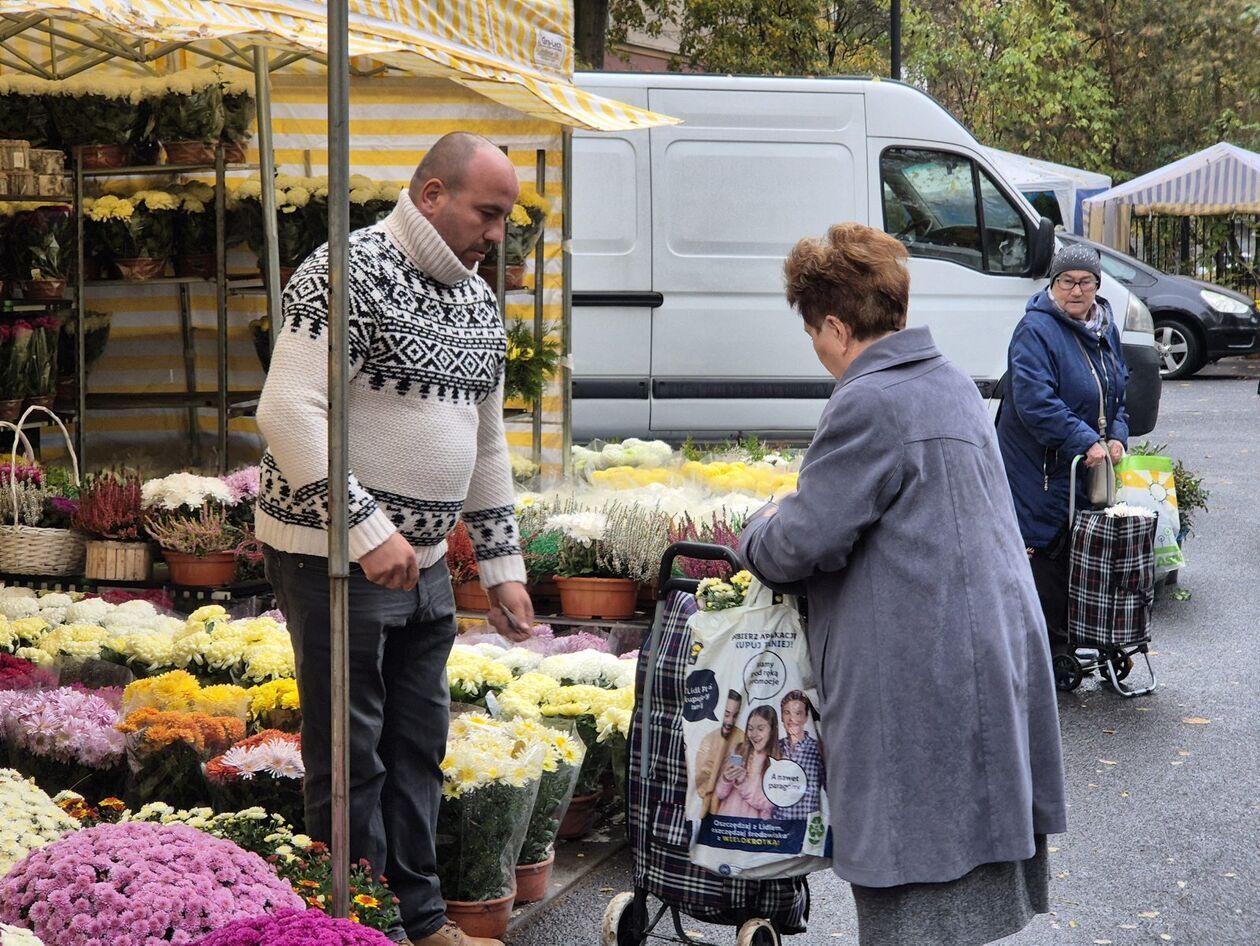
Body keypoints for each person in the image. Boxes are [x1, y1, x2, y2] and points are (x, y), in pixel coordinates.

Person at [738, 223, 1066, 946]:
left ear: (835, 324)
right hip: (979, 656)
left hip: (922, 668)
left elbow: (803, 540)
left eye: (813, 333)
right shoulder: (945, 382)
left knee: (915, 881)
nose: (818, 351)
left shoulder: (869, 400)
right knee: (960, 874)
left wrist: (756, 526)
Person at [255, 132, 535, 946]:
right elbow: (286, 412)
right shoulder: (346, 271)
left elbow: (484, 447)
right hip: (330, 554)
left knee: (419, 745)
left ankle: (418, 919)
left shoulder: (479, 300)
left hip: (422, 564)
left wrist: (504, 566)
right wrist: (365, 528)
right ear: (432, 194)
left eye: (505, 219)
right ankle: (356, 927)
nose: (496, 235)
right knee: (351, 756)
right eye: (488, 214)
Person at [997, 243, 1130, 657]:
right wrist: (1084, 440)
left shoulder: (1105, 329)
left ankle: (1068, 640)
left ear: (1097, 285)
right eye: (1067, 281)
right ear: (1053, 285)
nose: (1076, 290)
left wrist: (1117, 436)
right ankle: (1046, 652)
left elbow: (1118, 394)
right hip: (1037, 465)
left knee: (1079, 547)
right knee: (1044, 548)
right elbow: (1036, 402)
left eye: (1085, 282)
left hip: (1080, 463)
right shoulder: (1035, 330)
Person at [714, 705, 782, 820]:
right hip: (725, 824)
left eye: (760, 729)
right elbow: (720, 794)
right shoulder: (738, 750)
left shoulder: (777, 761)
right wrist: (726, 779)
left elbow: (767, 804)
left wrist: (742, 783)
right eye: (750, 729)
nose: (754, 734)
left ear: (772, 730)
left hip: (752, 830)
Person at [772, 690, 824, 822]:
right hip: (777, 829)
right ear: (782, 716)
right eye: (787, 712)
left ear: (806, 717)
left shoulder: (816, 749)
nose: (792, 719)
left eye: (798, 713)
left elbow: (831, 788)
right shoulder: (775, 748)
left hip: (807, 829)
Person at [693, 689, 744, 816]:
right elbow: (701, 780)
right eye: (726, 714)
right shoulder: (708, 741)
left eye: (735, 716)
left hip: (731, 812)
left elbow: (741, 775)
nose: (730, 721)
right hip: (707, 810)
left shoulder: (742, 738)